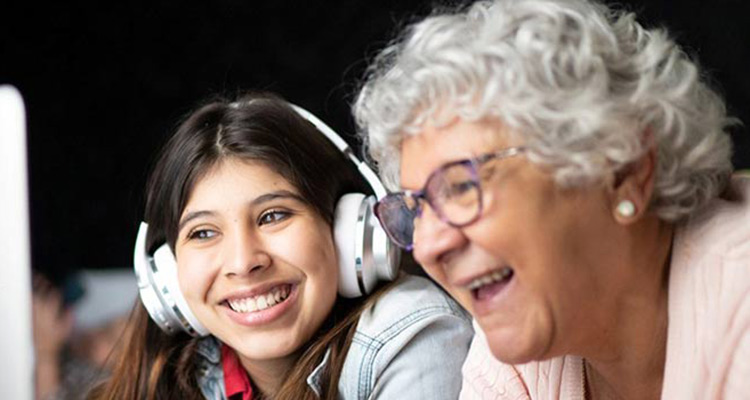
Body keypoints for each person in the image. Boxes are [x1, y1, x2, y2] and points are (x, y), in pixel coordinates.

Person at [353, 0, 750, 398]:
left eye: (460, 187)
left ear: (624, 172)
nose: (427, 246)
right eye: (416, 209)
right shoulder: (518, 350)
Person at [88, 92, 472, 400]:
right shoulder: (175, 373)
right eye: (203, 233)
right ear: (167, 274)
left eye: (273, 216)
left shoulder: (411, 334)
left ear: (346, 228)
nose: (243, 262)